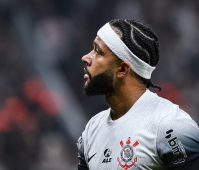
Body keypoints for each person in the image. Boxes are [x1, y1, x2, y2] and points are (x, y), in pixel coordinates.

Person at [77, 19, 199, 170]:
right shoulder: (91, 130)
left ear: (122, 70)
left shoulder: (169, 125)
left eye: (97, 51)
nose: (86, 58)